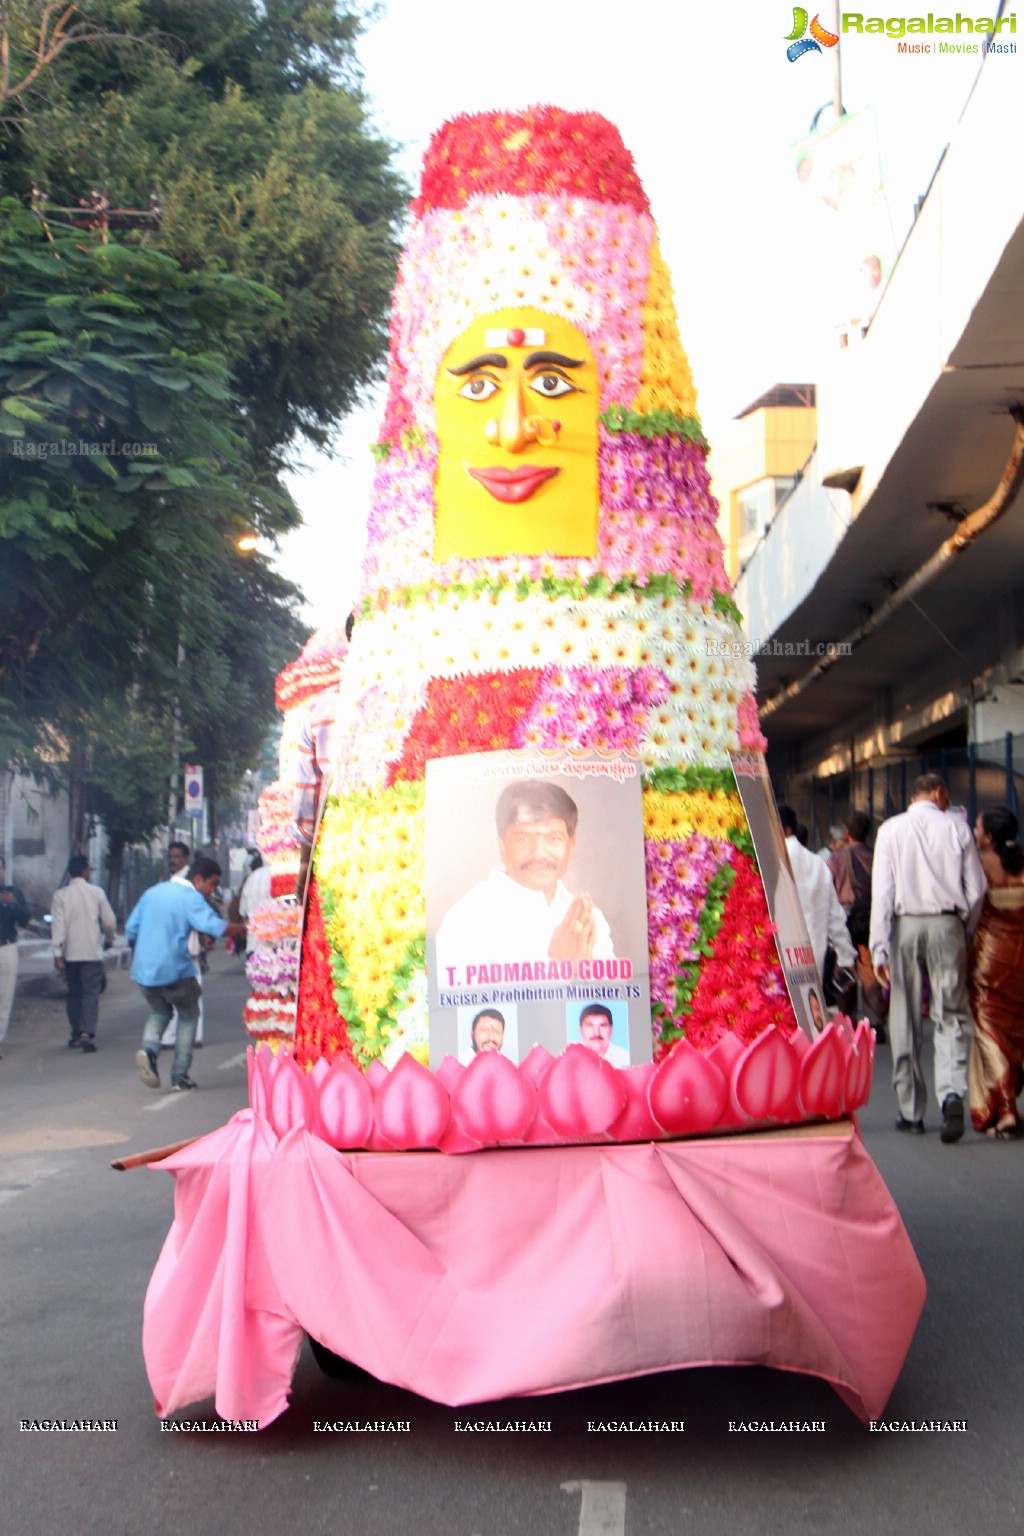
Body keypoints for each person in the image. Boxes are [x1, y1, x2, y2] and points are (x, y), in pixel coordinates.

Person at [869, 774, 986, 1141]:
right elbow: (977, 889)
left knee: (903, 1012)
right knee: (950, 1012)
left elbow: (882, 892)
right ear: (939, 793)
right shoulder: (958, 829)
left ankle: (910, 1110)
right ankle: (951, 1092)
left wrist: (878, 946)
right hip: (948, 923)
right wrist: (963, 928)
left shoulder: (890, 830)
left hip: (904, 925)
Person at [434, 779, 613, 981]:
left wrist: (582, 976)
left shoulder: (589, 920)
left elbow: (611, 1007)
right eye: (523, 839)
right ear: (502, 846)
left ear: (571, 846)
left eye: (554, 838)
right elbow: (461, 1010)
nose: (539, 853)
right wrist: (560, 967)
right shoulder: (466, 919)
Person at [126, 856, 245, 1091]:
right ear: (198, 879)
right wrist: (245, 928)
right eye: (211, 884)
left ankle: (149, 1051)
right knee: (188, 1014)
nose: (211, 891)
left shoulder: (153, 892)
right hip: (175, 969)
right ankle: (180, 1075)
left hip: (144, 970)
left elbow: (131, 928)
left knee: (159, 1010)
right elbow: (216, 927)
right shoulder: (190, 897)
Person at [967, 806, 1024, 1139]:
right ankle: (1008, 1104)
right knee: (1018, 1028)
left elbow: (971, 907)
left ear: (988, 836)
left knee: (990, 1030)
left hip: (991, 960)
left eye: (977, 826)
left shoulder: (981, 863)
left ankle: (1005, 1110)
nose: (975, 832)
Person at [777, 806, 856, 984]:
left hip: (775, 959)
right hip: (811, 959)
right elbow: (835, 916)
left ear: (786, 829)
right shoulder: (817, 864)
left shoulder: (771, 860)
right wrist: (845, 957)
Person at [831, 810, 888, 1042]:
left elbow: (828, 888)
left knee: (846, 968)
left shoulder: (836, 858)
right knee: (871, 971)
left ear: (847, 833)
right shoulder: (878, 856)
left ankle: (848, 1021)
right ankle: (876, 1022)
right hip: (871, 920)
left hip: (844, 921)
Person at [50, 854, 116, 1051]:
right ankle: (86, 1032)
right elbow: (110, 921)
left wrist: (57, 953)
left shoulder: (60, 896)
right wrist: (110, 938)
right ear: (85, 871)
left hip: (70, 954)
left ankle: (76, 1033)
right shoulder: (96, 893)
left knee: (74, 994)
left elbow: (58, 926)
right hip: (91, 953)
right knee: (90, 994)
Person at [160, 840, 209, 1049]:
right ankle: (183, 1035)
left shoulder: (189, 881)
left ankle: (183, 1035)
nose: (172, 861)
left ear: (186, 859)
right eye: (170, 857)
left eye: (176, 857)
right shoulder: (172, 881)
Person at [0, 852, 30, 1059]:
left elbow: (25, 919)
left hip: (6, 948)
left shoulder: (12, 893)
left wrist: (12, 903)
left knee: (4, 997)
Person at [239, 853, 273, 954]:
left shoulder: (252, 877)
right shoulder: (290, 873)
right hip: (281, 949)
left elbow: (243, 914)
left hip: (254, 945)